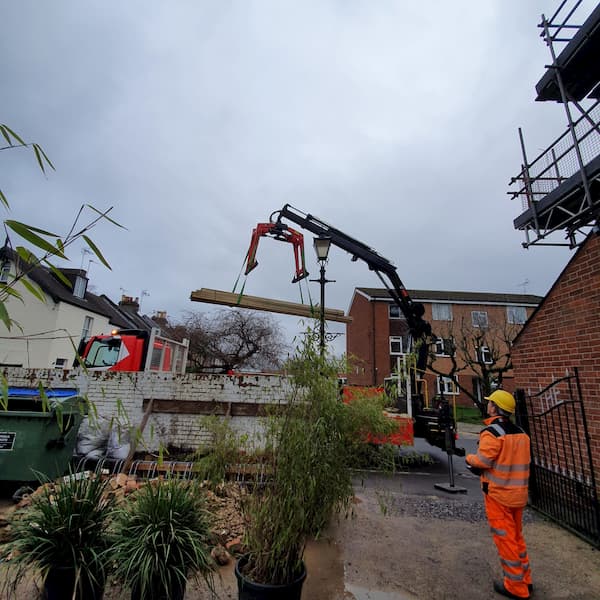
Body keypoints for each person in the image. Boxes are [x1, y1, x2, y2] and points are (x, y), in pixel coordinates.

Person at [466, 390, 532, 599]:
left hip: (498, 496)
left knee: (506, 541)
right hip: (519, 495)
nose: (488, 406)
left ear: (495, 408)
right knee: (517, 538)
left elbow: (482, 462)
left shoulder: (492, 433)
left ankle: (516, 587)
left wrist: (469, 458)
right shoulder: (521, 433)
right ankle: (526, 580)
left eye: (490, 403)